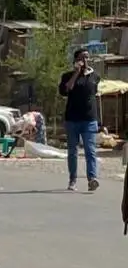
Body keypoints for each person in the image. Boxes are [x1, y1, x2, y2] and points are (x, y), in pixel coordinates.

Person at [58, 49, 101, 192]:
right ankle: (73, 179)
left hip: (89, 119)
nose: (85, 60)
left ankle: (92, 179)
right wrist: (77, 73)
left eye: (87, 57)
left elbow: (93, 94)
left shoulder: (95, 76)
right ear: (76, 60)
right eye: (82, 58)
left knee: (90, 150)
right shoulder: (67, 76)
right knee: (72, 151)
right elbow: (67, 89)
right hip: (72, 119)